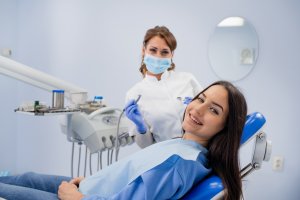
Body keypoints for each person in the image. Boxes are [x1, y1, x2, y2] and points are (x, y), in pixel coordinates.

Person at [0, 80, 247, 200]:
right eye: (200, 98)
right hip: (88, 187)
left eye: (214, 110)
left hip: (81, 198)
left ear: (226, 127)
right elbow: (133, 176)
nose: (198, 109)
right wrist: (93, 180)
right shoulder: (184, 146)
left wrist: (78, 198)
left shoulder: (178, 162)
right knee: (26, 177)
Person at [125, 25, 203, 148]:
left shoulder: (187, 80)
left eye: (164, 52)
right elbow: (146, 145)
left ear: (172, 54)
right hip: (166, 157)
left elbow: (209, 114)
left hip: (200, 150)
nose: (158, 57)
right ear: (143, 50)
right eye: (153, 50)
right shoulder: (134, 94)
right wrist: (140, 126)